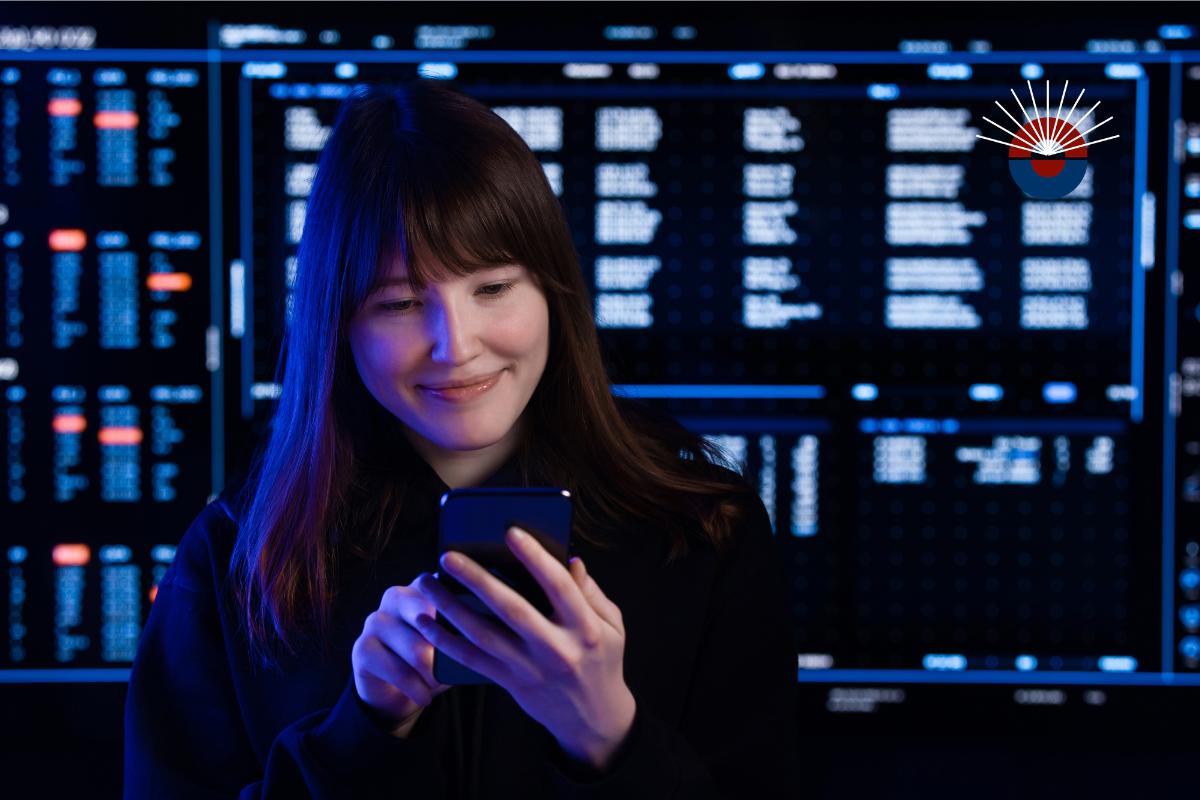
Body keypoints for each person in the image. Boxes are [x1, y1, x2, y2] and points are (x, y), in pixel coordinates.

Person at [124, 79, 799, 799]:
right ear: (337, 325)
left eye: (493, 287)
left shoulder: (704, 530)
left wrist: (610, 739)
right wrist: (365, 731)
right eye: (403, 302)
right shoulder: (237, 558)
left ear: (552, 292)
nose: (456, 346)